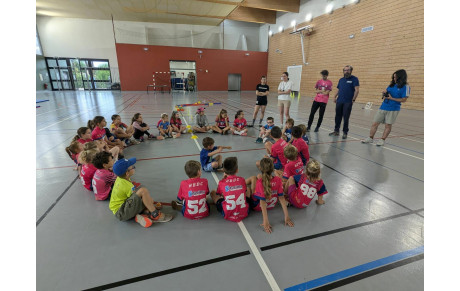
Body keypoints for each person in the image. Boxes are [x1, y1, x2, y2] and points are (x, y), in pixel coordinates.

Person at [109, 158, 173, 227]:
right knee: (143, 191)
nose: (134, 168)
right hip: (122, 212)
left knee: (148, 200)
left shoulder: (121, 178)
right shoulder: (125, 185)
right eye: (132, 167)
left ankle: (142, 215)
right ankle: (155, 215)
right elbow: (135, 197)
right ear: (127, 173)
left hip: (122, 208)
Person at [361, 69, 410, 146]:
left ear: (401, 77)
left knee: (388, 125)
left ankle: (382, 140)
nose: (394, 79)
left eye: (396, 77)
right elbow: (386, 95)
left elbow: (404, 99)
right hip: (383, 107)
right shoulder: (391, 85)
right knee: (375, 123)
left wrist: (391, 98)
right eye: (393, 77)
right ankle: (370, 138)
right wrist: (384, 93)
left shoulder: (406, 87)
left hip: (393, 108)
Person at [247, 157, 294, 233]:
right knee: (259, 178)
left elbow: (262, 202)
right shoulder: (278, 180)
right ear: (272, 169)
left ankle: (242, 183)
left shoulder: (260, 182)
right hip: (272, 205)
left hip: (257, 206)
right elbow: (281, 198)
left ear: (261, 168)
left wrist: (266, 221)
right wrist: (287, 216)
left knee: (253, 179)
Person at [210, 157, 249, 222]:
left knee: (213, 193)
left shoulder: (222, 182)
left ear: (224, 171)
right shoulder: (242, 179)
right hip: (244, 212)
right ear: (237, 170)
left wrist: (223, 179)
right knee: (247, 188)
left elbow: (219, 194)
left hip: (227, 213)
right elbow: (245, 191)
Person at [329, 65, 360, 139]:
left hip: (348, 102)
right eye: (345, 70)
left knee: (346, 118)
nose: (346, 71)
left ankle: (345, 132)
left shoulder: (354, 79)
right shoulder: (341, 80)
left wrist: (353, 100)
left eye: (348, 70)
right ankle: (336, 131)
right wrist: (334, 96)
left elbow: (357, 90)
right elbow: (338, 89)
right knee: (337, 117)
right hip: (339, 101)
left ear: (351, 71)